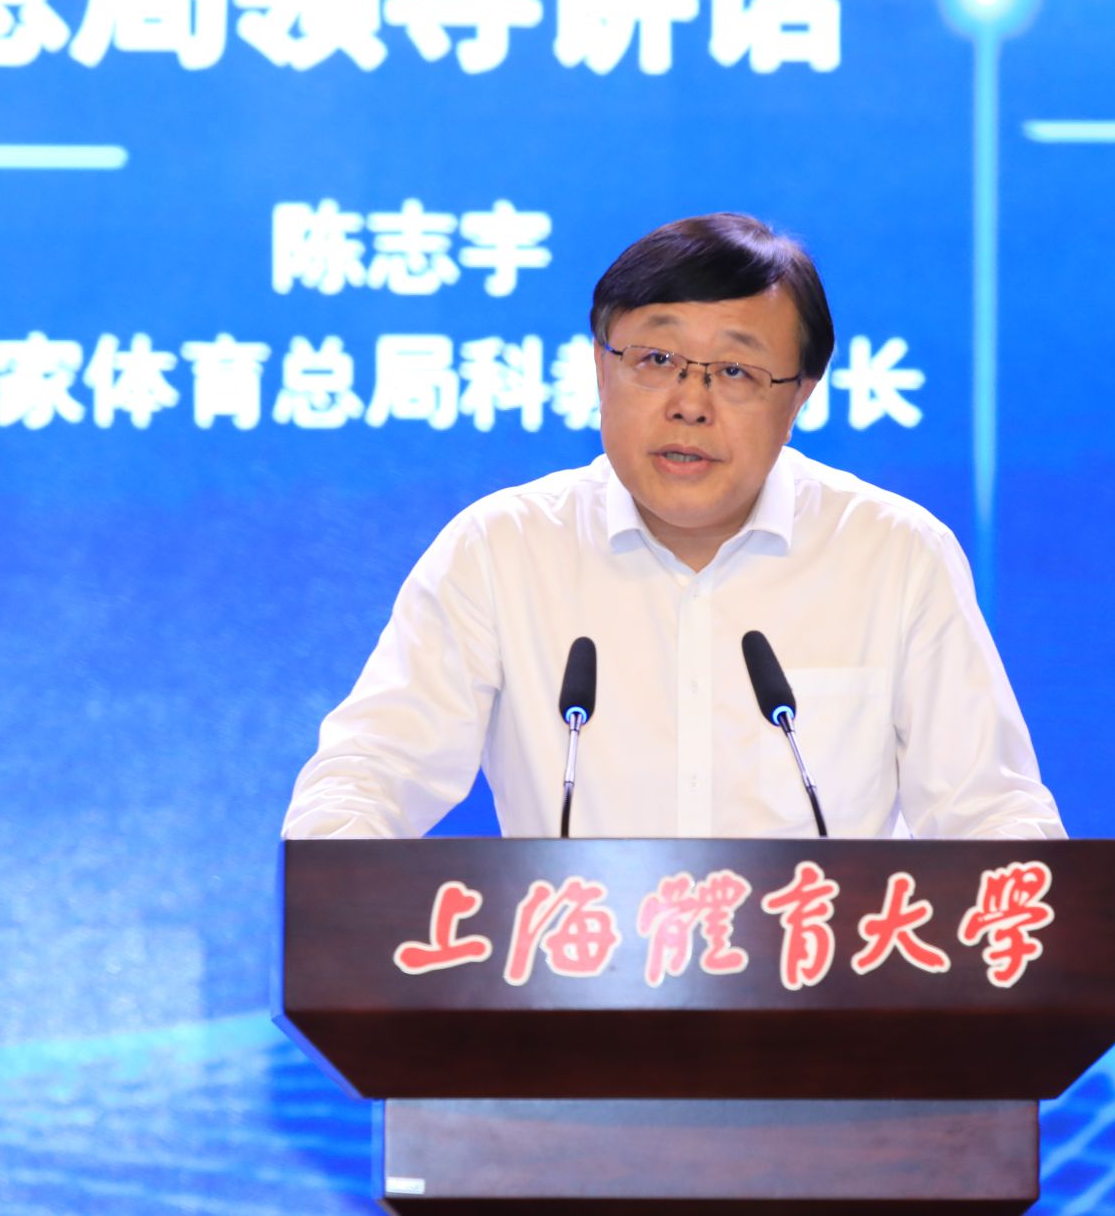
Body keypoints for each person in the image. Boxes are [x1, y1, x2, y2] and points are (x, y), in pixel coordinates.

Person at [282, 213, 1065, 840]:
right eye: (655, 360)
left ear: (800, 395)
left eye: (736, 371)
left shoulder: (894, 554)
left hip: (822, 992)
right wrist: (344, 892)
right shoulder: (500, 551)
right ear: (602, 367)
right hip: (570, 987)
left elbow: (992, 815)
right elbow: (365, 774)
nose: (690, 403)